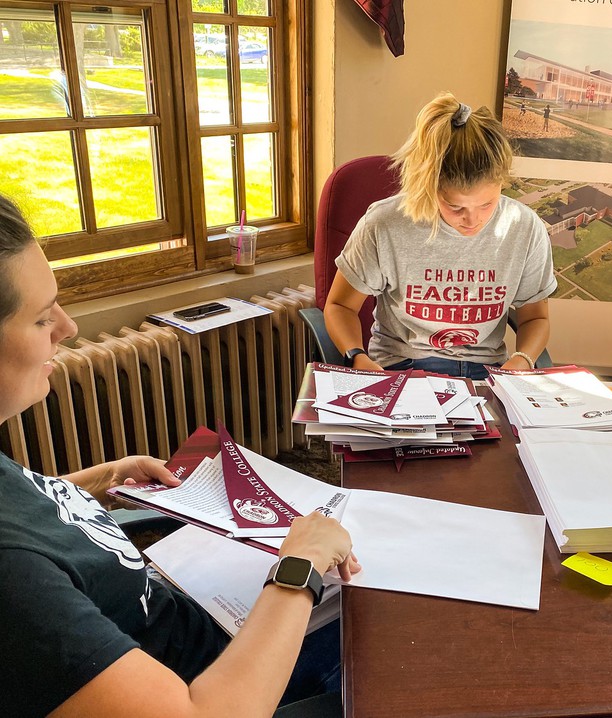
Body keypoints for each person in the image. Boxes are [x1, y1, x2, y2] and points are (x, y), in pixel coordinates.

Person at [0, 196, 362, 717]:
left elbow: (27, 519)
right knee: (408, 636)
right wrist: (297, 567)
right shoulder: (12, 588)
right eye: (40, 319)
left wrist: (94, 482)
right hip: (220, 681)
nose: (67, 327)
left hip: (199, 616)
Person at [324, 91, 557, 380]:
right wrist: (356, 356)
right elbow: (340, 306)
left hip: (487, 373)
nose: (472, 220)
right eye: (454, 206)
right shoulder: (385, 224)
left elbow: (535, 317)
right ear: (428, 185)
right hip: (404, 368)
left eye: (487, 204)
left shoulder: (523, 226)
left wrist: (522, 359)